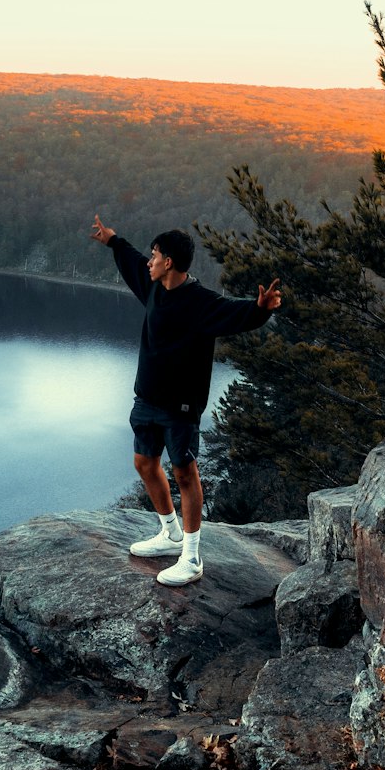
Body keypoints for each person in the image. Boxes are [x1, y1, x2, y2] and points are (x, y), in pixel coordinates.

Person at [91, 214, 281, 586]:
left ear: (170, 263)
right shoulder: (152, 287)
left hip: (180, 408)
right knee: (145, 464)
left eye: (155, 255)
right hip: (146, 399)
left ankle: (191, 557)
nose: (149, 261)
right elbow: (130, 258)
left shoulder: (200, 303)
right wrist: (112, 239)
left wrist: (260, 309)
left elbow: (237, 314)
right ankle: (170, 532)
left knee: (185, 474)